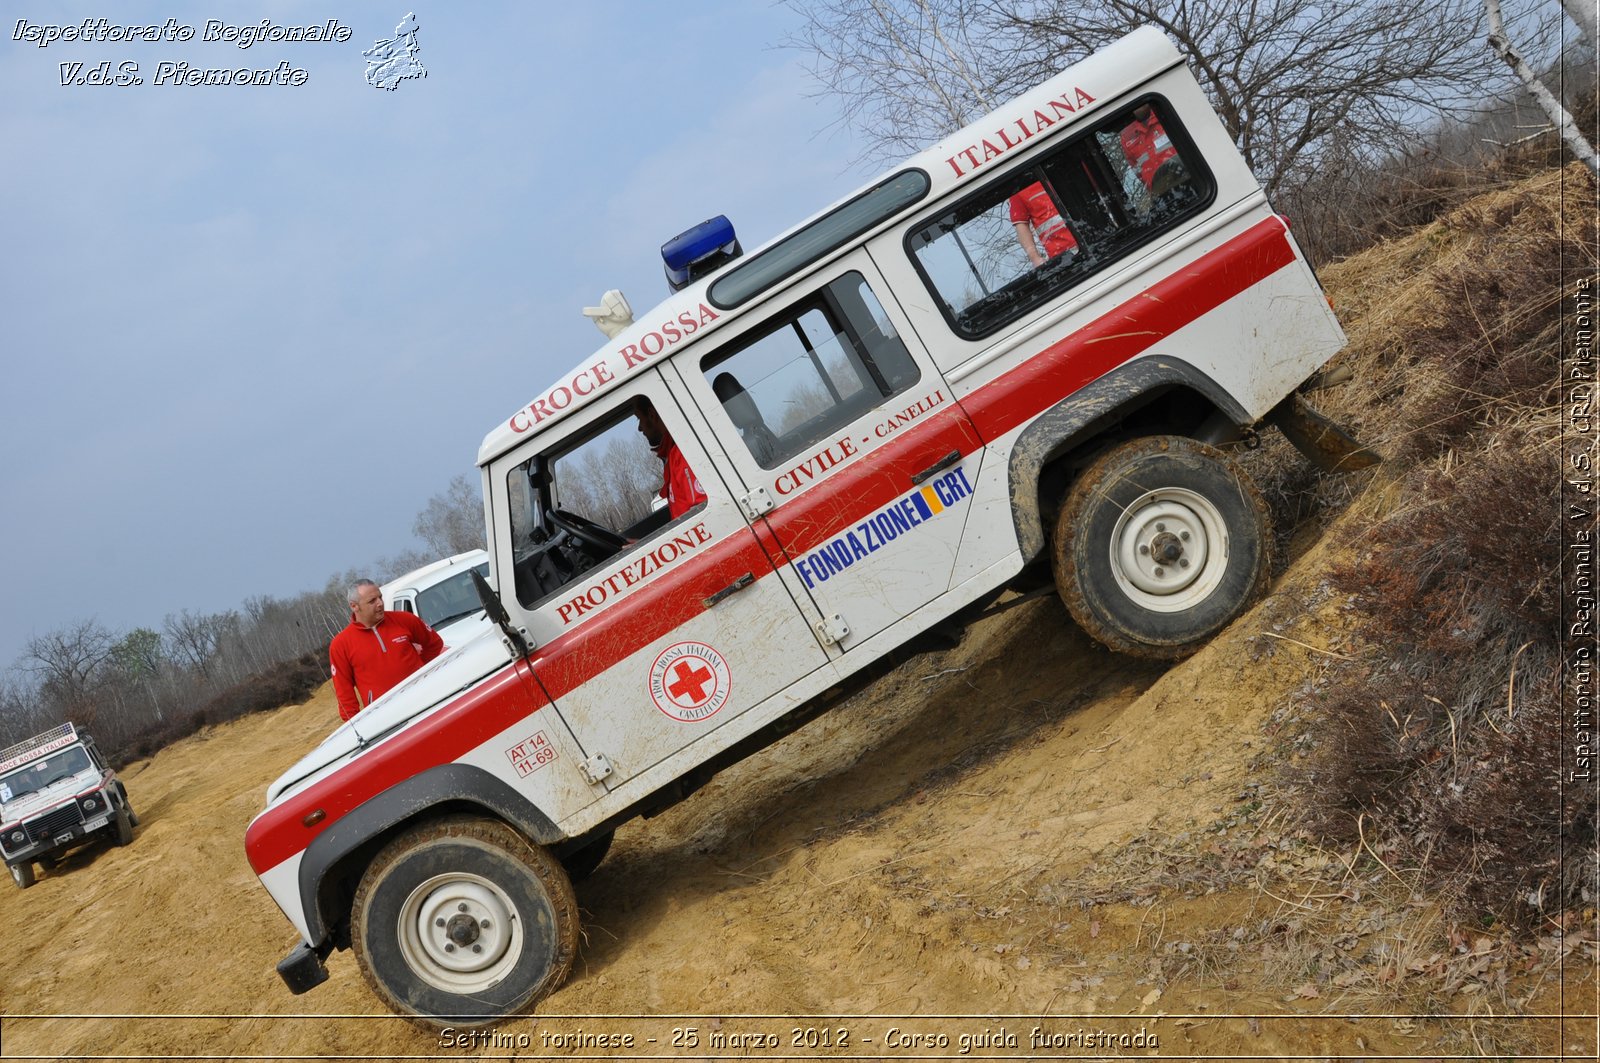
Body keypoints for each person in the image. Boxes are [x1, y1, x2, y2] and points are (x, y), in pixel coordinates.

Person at [329, 579, 444, 721]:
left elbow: (434, 643)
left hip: (426, 700)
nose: (380, 603)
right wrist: (357, 727)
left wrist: (421, 671)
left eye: (380, 597)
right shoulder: (340, 645)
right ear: (354, 606)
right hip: (386, 719)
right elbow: (345, 694)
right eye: (372, 601)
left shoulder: (404, 619)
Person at [634, 398, 707, 518]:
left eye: (639, 418)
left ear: (652, 415)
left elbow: (702, 515)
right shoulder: (671, 455)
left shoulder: (682, 454)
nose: (640, 428)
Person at [1009, 181, 1078, 267]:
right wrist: (1035, 258)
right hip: (1064, 257)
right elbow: (1021, 225)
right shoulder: (1018, 189)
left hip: (1092, 236)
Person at [1120, 104, 1181, 194]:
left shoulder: (1166, 114)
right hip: (1161, 193)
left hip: (1186, 179)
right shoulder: (1127, 137)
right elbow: (1137, 170)